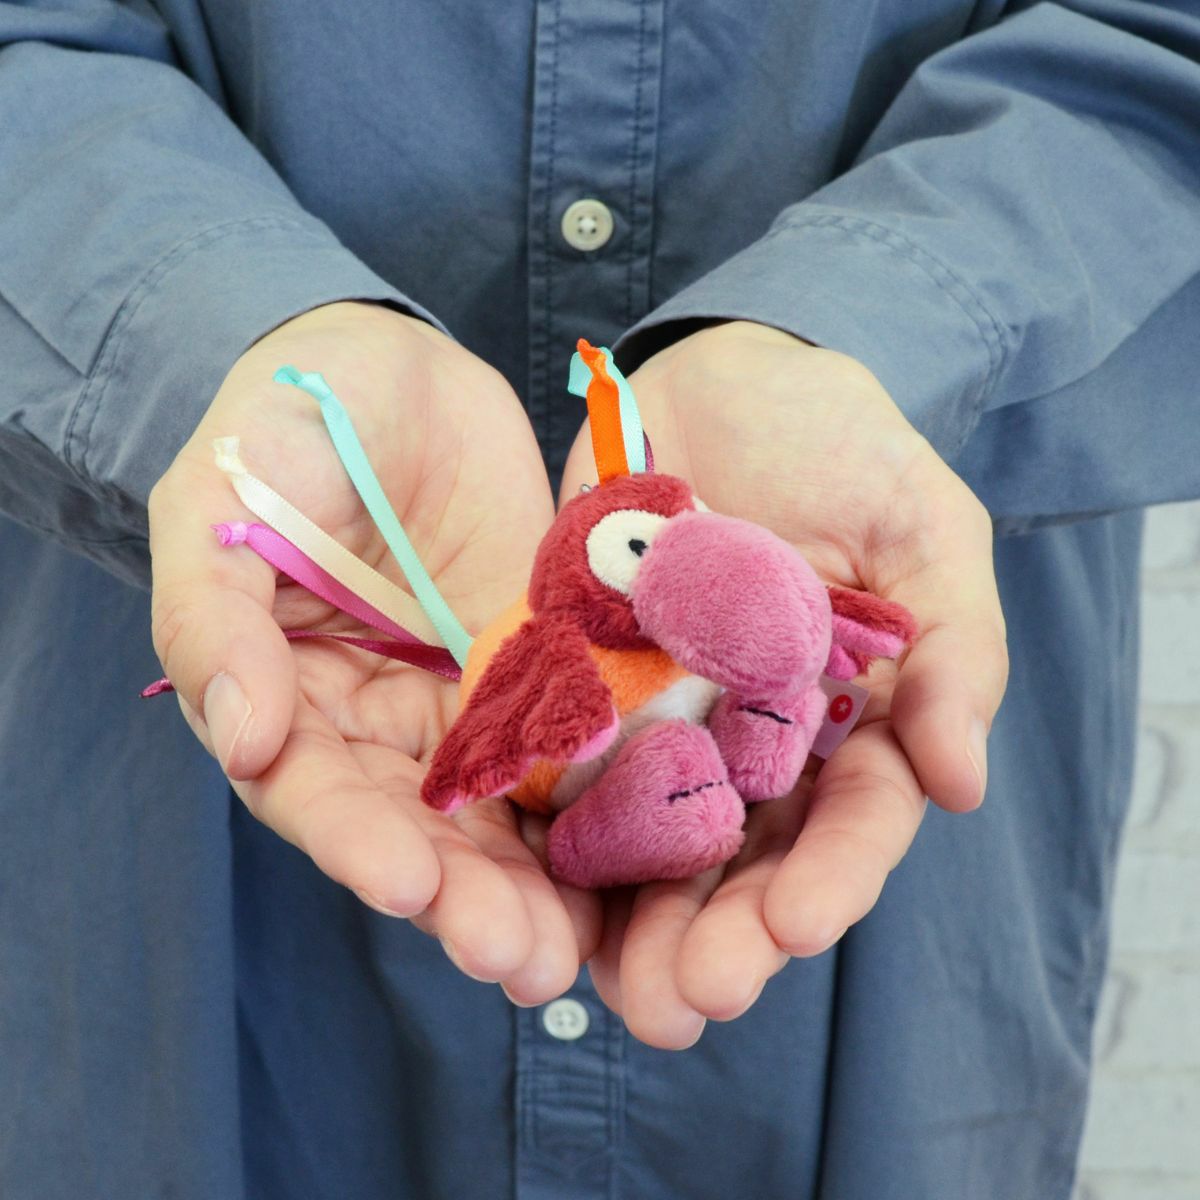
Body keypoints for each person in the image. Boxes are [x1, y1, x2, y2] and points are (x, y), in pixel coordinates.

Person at [1, 1, 1197, 1197]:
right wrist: (218, 326)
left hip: (906, 910)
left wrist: (876, 324)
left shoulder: (717, 608)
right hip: (193, 818)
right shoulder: (559, 658)